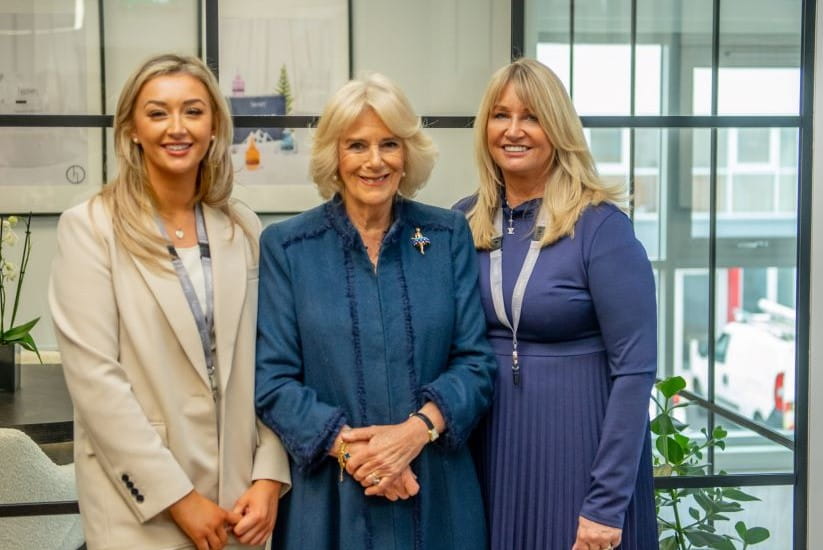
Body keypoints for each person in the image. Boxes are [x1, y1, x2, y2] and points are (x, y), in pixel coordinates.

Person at [49, 54, 291, 550]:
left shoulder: (241, 225)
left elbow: (269, 359)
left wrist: (269, 475)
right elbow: (97, 385)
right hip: (142, 507)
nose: (176, 128)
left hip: (238, 505)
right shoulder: (90, 228)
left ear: (214, 127)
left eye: (193, 112)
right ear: (132, 128)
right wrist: (179, 498)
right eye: (158, 113)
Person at [254, 73, 497, 550]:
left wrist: (414, 433)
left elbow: (476, 363)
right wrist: (358, 454)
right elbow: (274, 383)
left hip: (437, 488)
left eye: (389, 144)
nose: (374, 161)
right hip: (329, 499)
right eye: (357, 145)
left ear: (407, 155)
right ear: (334, 156)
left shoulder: (447, 236)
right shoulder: (288, 247)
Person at [455, 58, 659, 550]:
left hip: (581, 461)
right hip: (492, 459)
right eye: (501, 116)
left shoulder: (601, 228)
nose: (514, 130)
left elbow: (635, 372)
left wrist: (605, 503)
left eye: (532, 116)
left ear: (558, 128)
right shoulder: (462, 223)